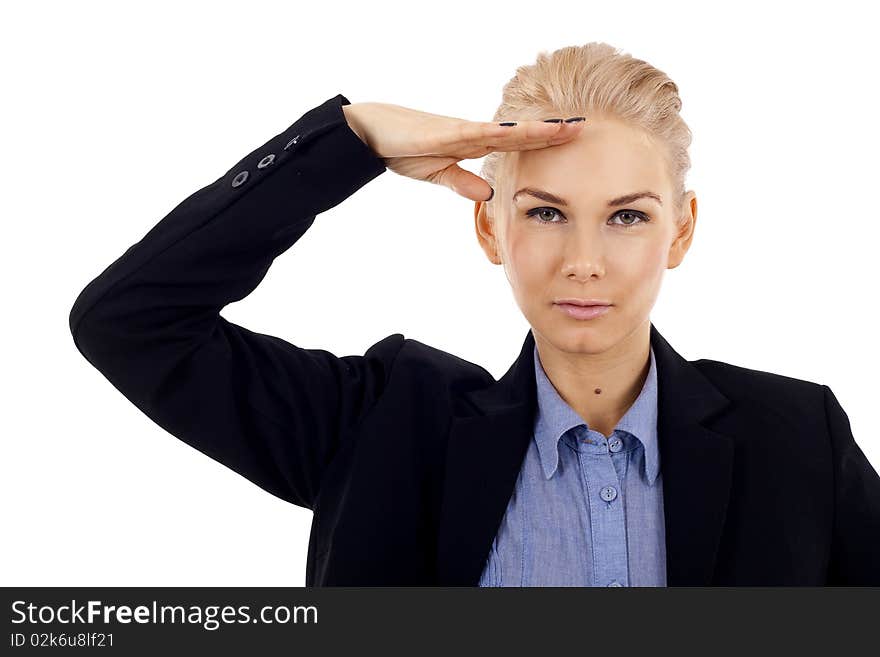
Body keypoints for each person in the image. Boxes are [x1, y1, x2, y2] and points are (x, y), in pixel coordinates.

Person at [69, 42, 880, 586]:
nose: (584, 259)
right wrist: (347, 140)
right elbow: (130, 321)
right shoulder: (382, 424)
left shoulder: (794, 436)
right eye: (545, 212)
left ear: (683, 229)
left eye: (627, 215)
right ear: (490, 225)